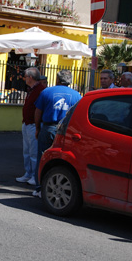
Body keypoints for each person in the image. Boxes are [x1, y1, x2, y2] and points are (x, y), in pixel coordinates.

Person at [32, 69, 82, 197]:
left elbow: (38, 112)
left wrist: (37, 128)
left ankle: (39, 187)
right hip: (66, 130)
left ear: (58, 79)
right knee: (63, 159)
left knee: (43, 157)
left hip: (49, 127)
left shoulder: (47, 92)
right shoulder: (77, 96)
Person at [15, 67, 44, 186]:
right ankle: (28, 172)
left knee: (34, 151)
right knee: (26, 150)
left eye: (26, 77)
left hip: (33, 124)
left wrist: (37, 126)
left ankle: (34, 175)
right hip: (27, 123)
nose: (24, 79)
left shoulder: (40, 90)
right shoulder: (31, 90)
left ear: (30, 78)